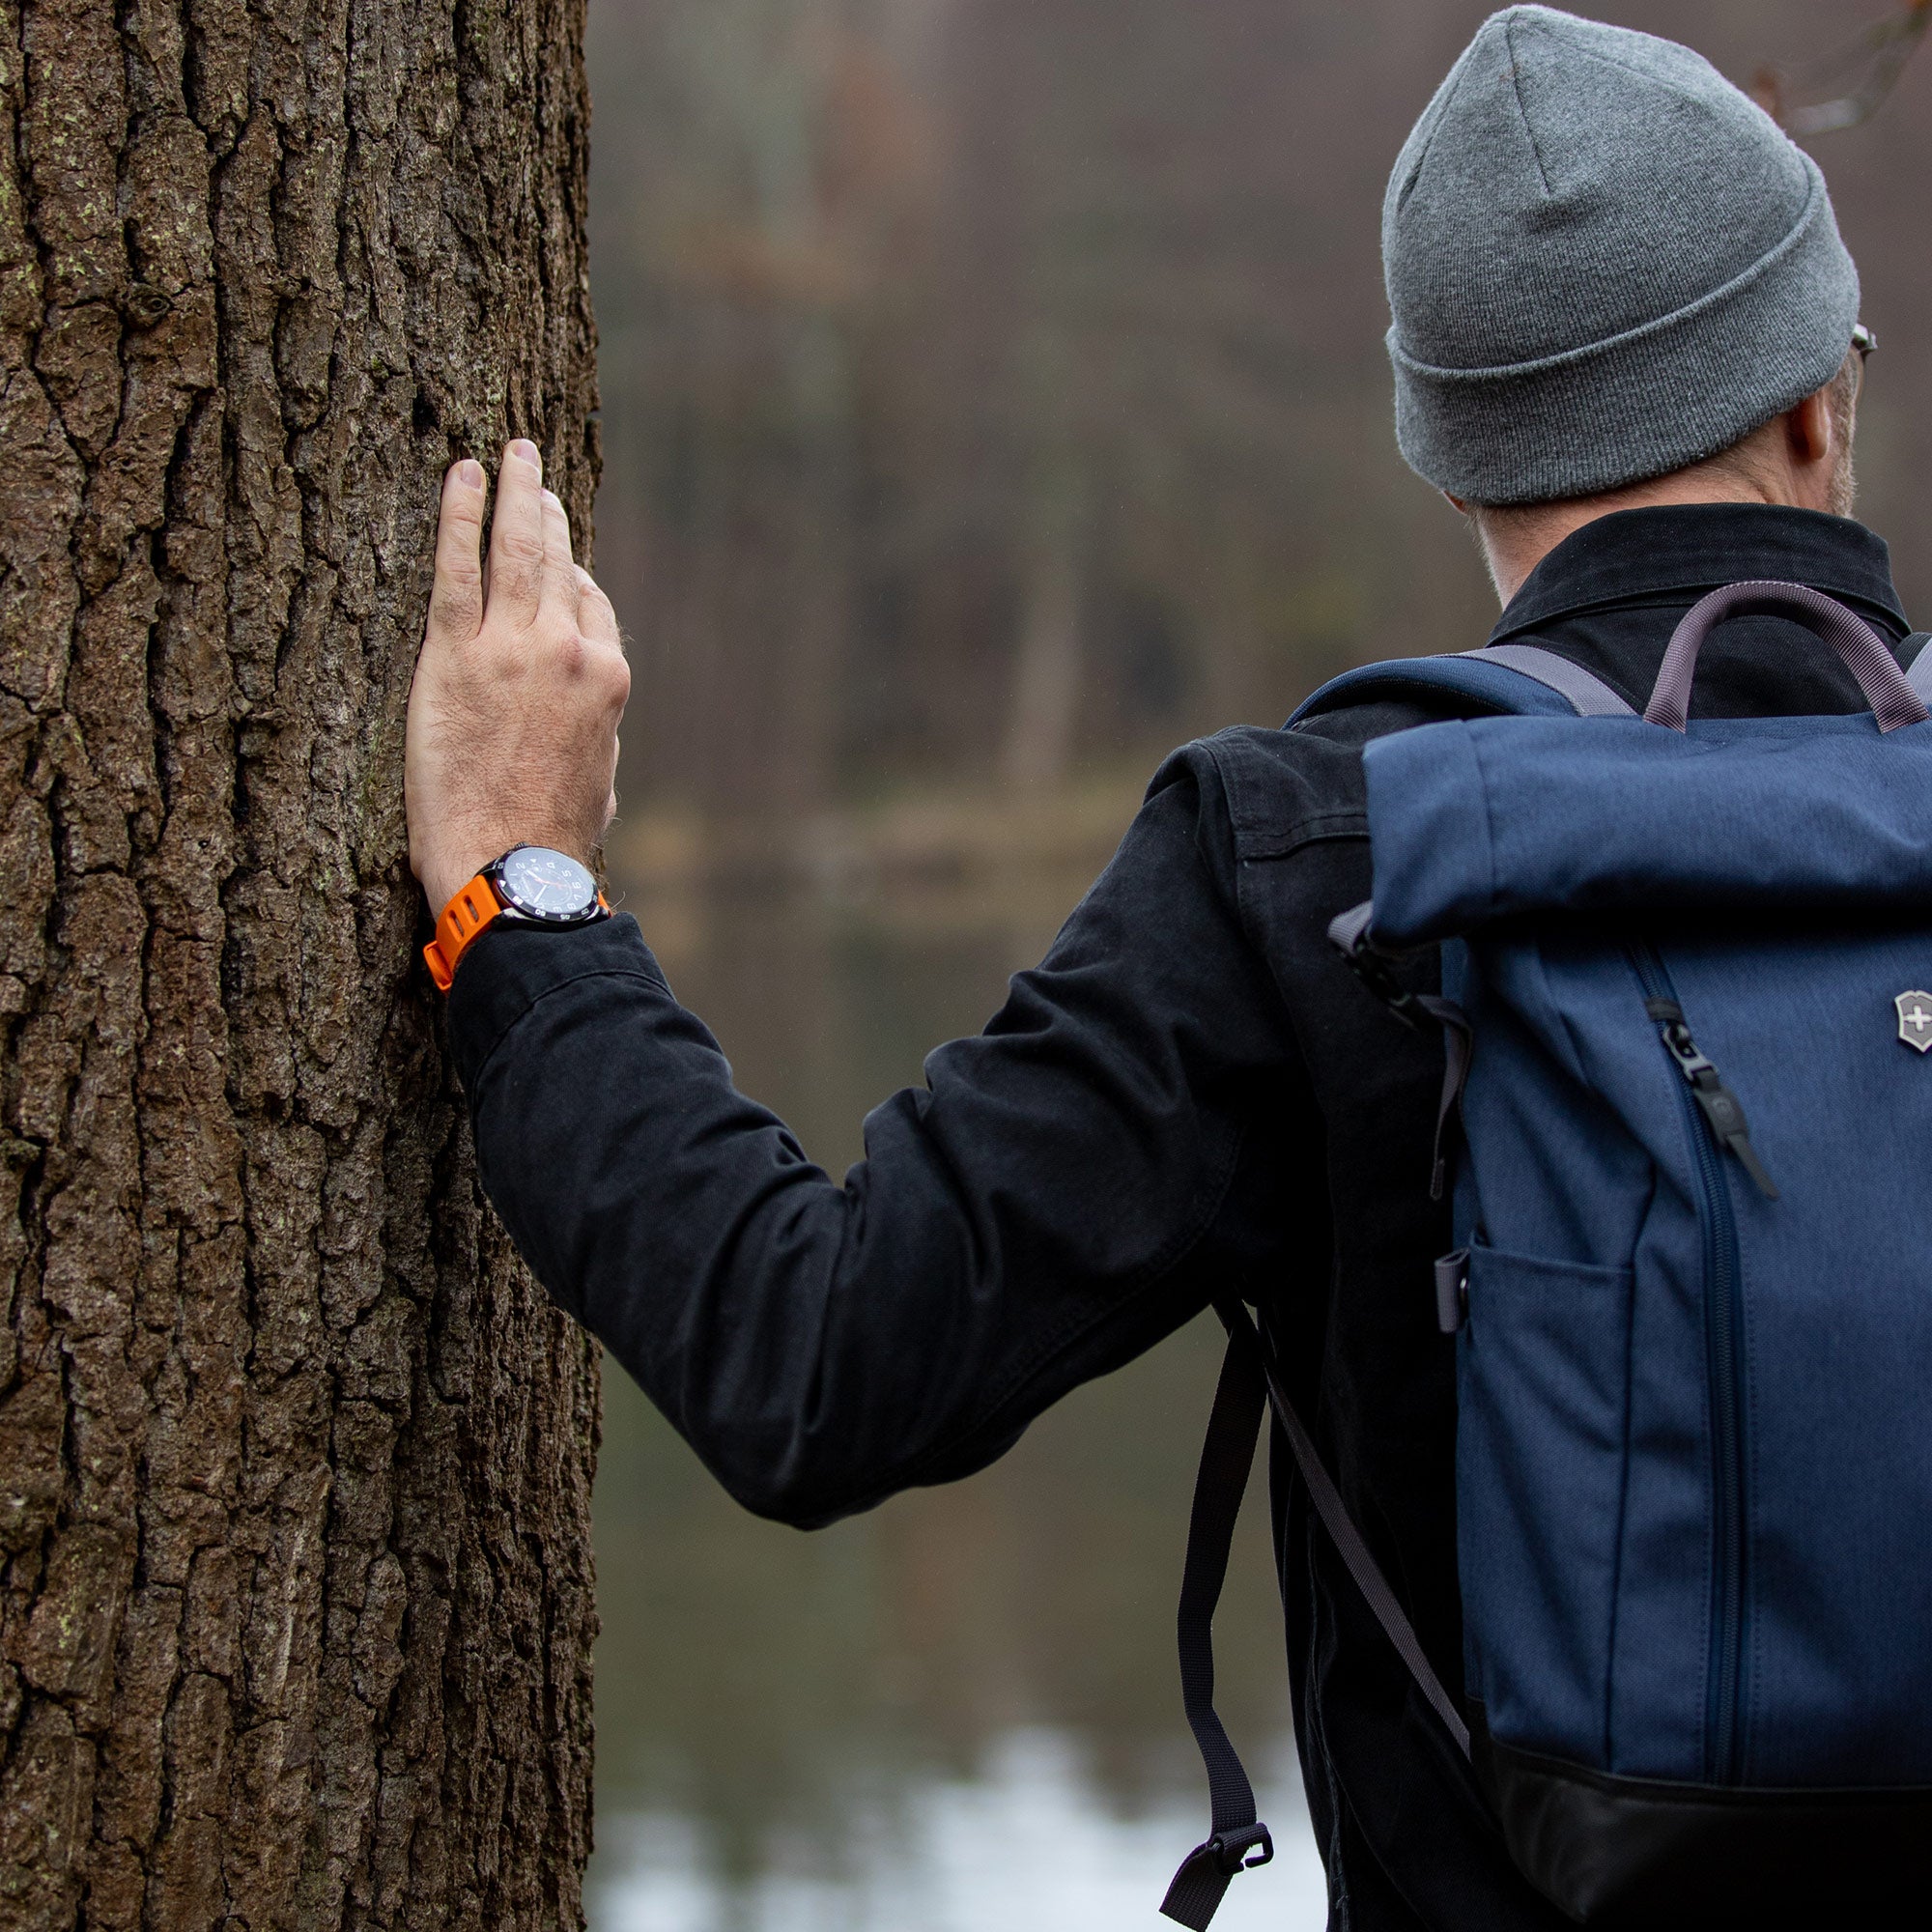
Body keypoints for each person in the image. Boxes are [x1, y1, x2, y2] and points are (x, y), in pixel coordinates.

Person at [404, 9, 1893, 1924]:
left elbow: (818, 1355)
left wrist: (518, 886)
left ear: (1451, 458)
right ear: (1813, 401)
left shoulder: (1325, 863)